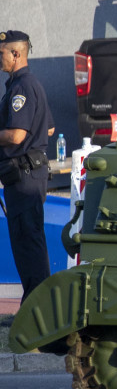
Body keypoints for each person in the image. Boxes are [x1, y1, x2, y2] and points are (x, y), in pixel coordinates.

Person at [0, 32, 52, 297]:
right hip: (23, 175)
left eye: (2, 53)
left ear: (16, 54)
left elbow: (17, 134)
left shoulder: (22, 86)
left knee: (28, 246)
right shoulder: (21, 85)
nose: (0, 59)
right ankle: (33, 309)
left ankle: (40, 314)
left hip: (24, 178)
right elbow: (49, 127)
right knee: (27, 247)